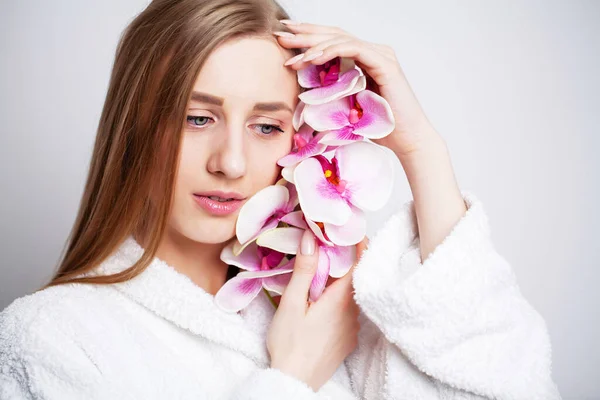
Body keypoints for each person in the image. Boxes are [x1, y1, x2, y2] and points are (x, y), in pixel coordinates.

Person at [0, 0, 562, 399]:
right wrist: (291, 379)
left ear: (302, 140)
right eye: (198, 118)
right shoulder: (52, 336)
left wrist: (421, 148)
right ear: (135, 128)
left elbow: (509, 385)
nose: (232, 162)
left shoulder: (333, 312)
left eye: (267, 127)